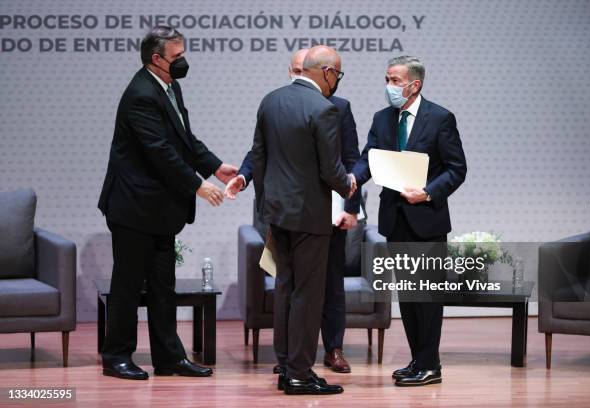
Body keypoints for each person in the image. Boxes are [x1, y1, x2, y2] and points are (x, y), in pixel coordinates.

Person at [97, 26, 237, 380]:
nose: (183, 62)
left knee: (163, 287)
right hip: (133, 207)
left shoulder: (169, 87)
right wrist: (199, 187)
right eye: (177, 57)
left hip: (158, 209)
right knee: (128, 285)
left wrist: (215, 167)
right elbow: (160, 152)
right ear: (156, 59)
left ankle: (169, 357)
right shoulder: (141, 94)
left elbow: (184, 140)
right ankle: (117, 357)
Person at [225, 48, 362, 373]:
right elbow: (333, 169)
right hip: (312, 214)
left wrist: (350, 205)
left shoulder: (270, 101)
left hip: (280, 213)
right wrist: (348, 185)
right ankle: (299, 370)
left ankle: (293, 360)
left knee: (291, 287)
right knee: (307, 293)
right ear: (325, 72)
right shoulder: (322, 107)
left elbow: (262, 153)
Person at [351, 56, 467, 386]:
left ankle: (430, 365)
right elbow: (368, 159)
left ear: (414, 84)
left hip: (427, 220)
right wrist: (353, 179)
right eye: (386, 79)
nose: (389, 86)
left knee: (427, 297)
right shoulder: (382, 118)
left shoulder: (440, 118)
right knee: (408, 296)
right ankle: (419, 360)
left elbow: (456, 169)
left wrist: (429, 192)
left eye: (395, 80)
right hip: (395, 219)